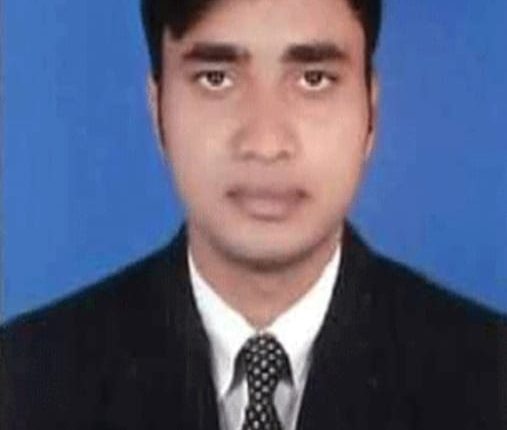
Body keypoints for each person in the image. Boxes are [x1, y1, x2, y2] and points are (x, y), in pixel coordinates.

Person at [1, 0, 506, 429]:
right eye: (216, 78)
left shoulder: (490, 379)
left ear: (371, 111)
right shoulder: (26, 378)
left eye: (314, 79)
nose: (265, 143)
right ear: (158, 110)